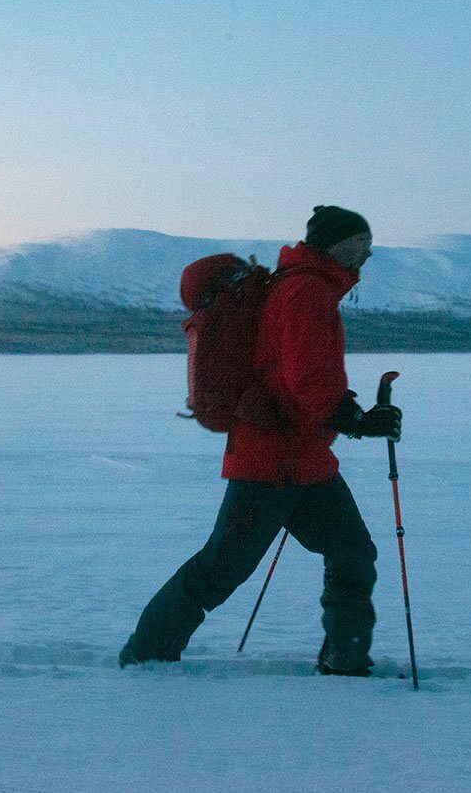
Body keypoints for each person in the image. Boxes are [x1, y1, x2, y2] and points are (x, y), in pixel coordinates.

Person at [118, 205, 402, 676]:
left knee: (352, 552)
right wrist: (355, 418)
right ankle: (145, 655)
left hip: (306, 460)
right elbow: (305, 375)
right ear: (335, 245)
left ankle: (345, 659)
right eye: (360, 243)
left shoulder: (311, 288)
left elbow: (304, 374)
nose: (367, 253)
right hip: (269, 462)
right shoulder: (304, 291)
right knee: (220, 569)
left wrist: (351, 414)